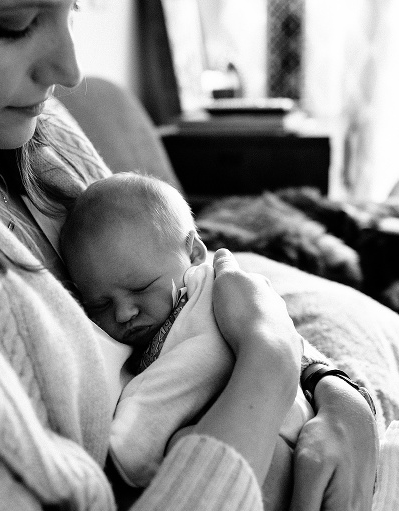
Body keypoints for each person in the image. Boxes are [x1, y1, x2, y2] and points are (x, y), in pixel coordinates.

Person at [0, 0, 378, 510]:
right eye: (15, 24)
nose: (71, 69)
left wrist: (337, 391)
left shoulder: (42, 131)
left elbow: (195, 288)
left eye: (72, 10)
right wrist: (268, 363)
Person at [60, 172, 317, 509]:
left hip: (279, 434)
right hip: (253, 435)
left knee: (185, 443)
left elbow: (183, 377)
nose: (123, 313)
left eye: (140, 288)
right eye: (100, 305)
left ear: (195, 253)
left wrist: (130, 446)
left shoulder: (203, 296)